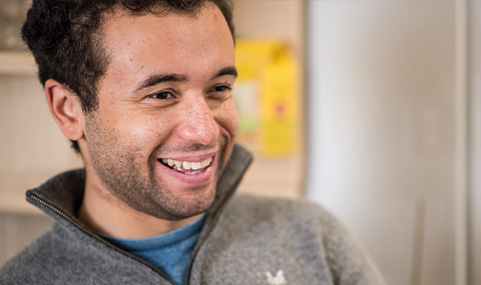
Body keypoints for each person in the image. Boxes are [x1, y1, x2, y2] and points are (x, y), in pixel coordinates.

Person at [0, 0, 384, 284]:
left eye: (219, 88)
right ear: (69, 110)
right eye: (162, 94)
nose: (206, 131)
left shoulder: (312, 237)